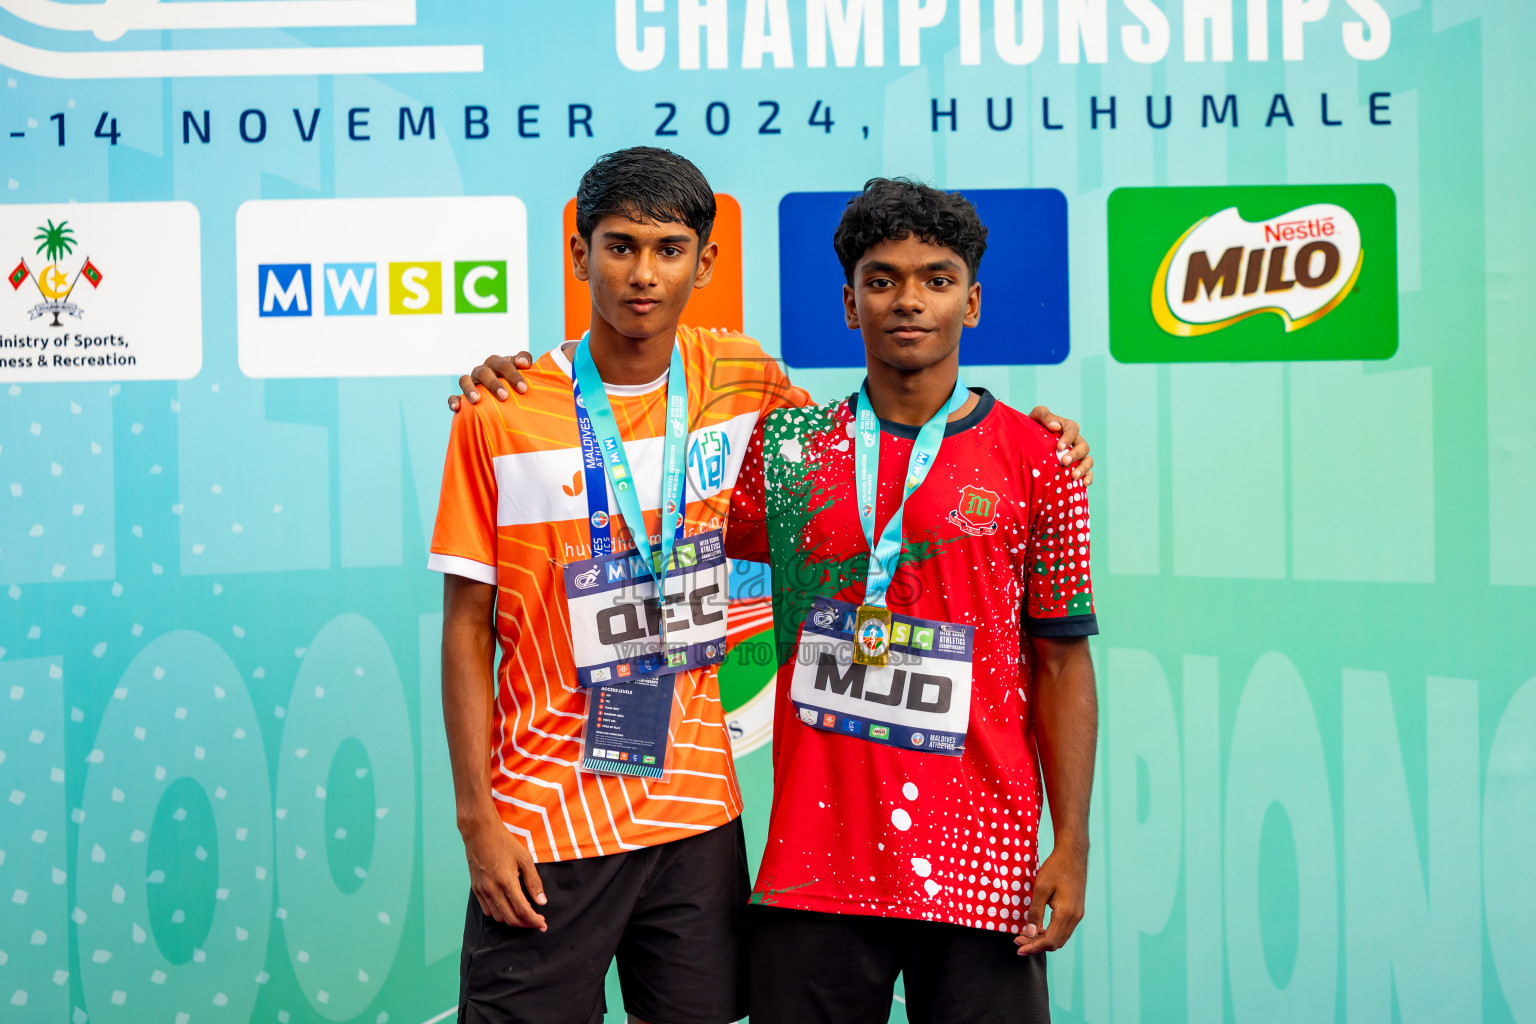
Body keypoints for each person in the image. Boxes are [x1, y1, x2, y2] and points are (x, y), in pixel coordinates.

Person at [434, 148, 1091, 1024]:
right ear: (579, 250)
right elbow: (468, 626)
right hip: (595, 825)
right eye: (619, 246)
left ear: (705, 262)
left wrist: (1043, 449)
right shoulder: (518, 413)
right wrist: (477, 818)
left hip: (758, 832)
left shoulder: (756, 390)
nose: (641, 273)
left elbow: (1051, 647)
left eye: (668, 249)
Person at [723, 178, 1100, 1023]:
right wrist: (525, 385)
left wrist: (1071, 843)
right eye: (882, 277)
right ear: (849, 304)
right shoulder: (786, 450)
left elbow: (1064, 658)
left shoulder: (1041, 459)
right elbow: (668, 505)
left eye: (936, 278)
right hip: (814, 862)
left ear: (973, 301)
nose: (909, 299)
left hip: (980, 865)